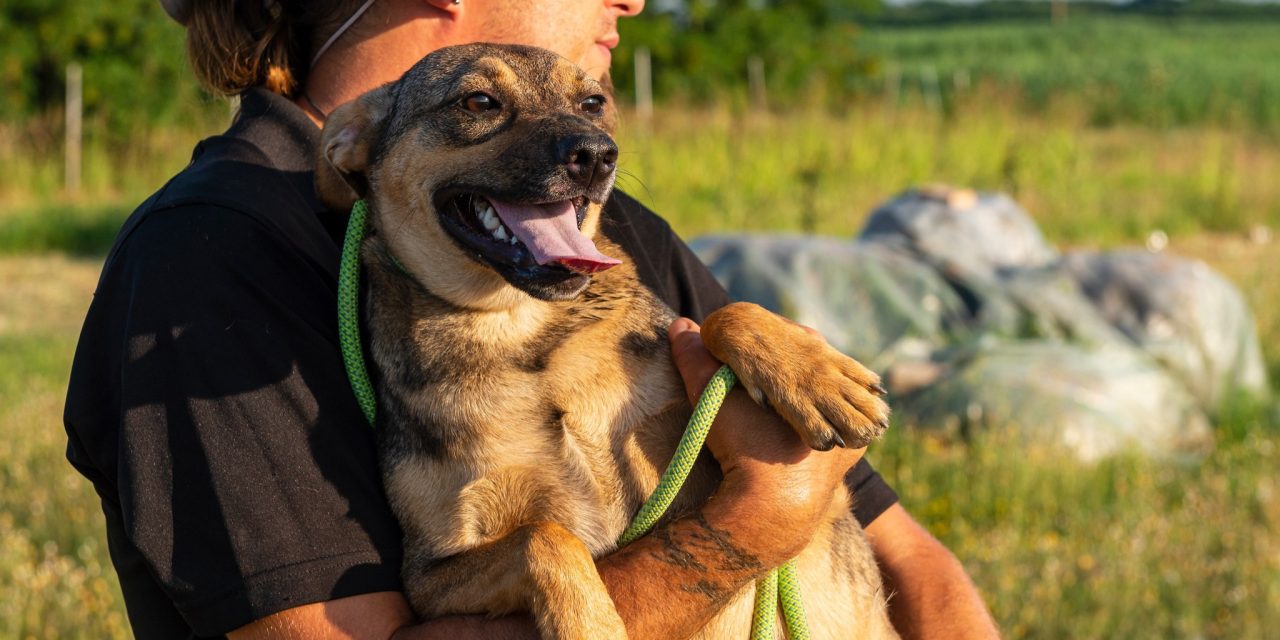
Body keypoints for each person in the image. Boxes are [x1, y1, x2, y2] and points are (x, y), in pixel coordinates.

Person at [63, 1, 999, 638]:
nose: (632, 2)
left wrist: (743, 340)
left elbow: (908, 558)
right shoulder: (210, 259)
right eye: (483, 107)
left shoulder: (576, 222)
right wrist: (751, 525)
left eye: (589, 113)